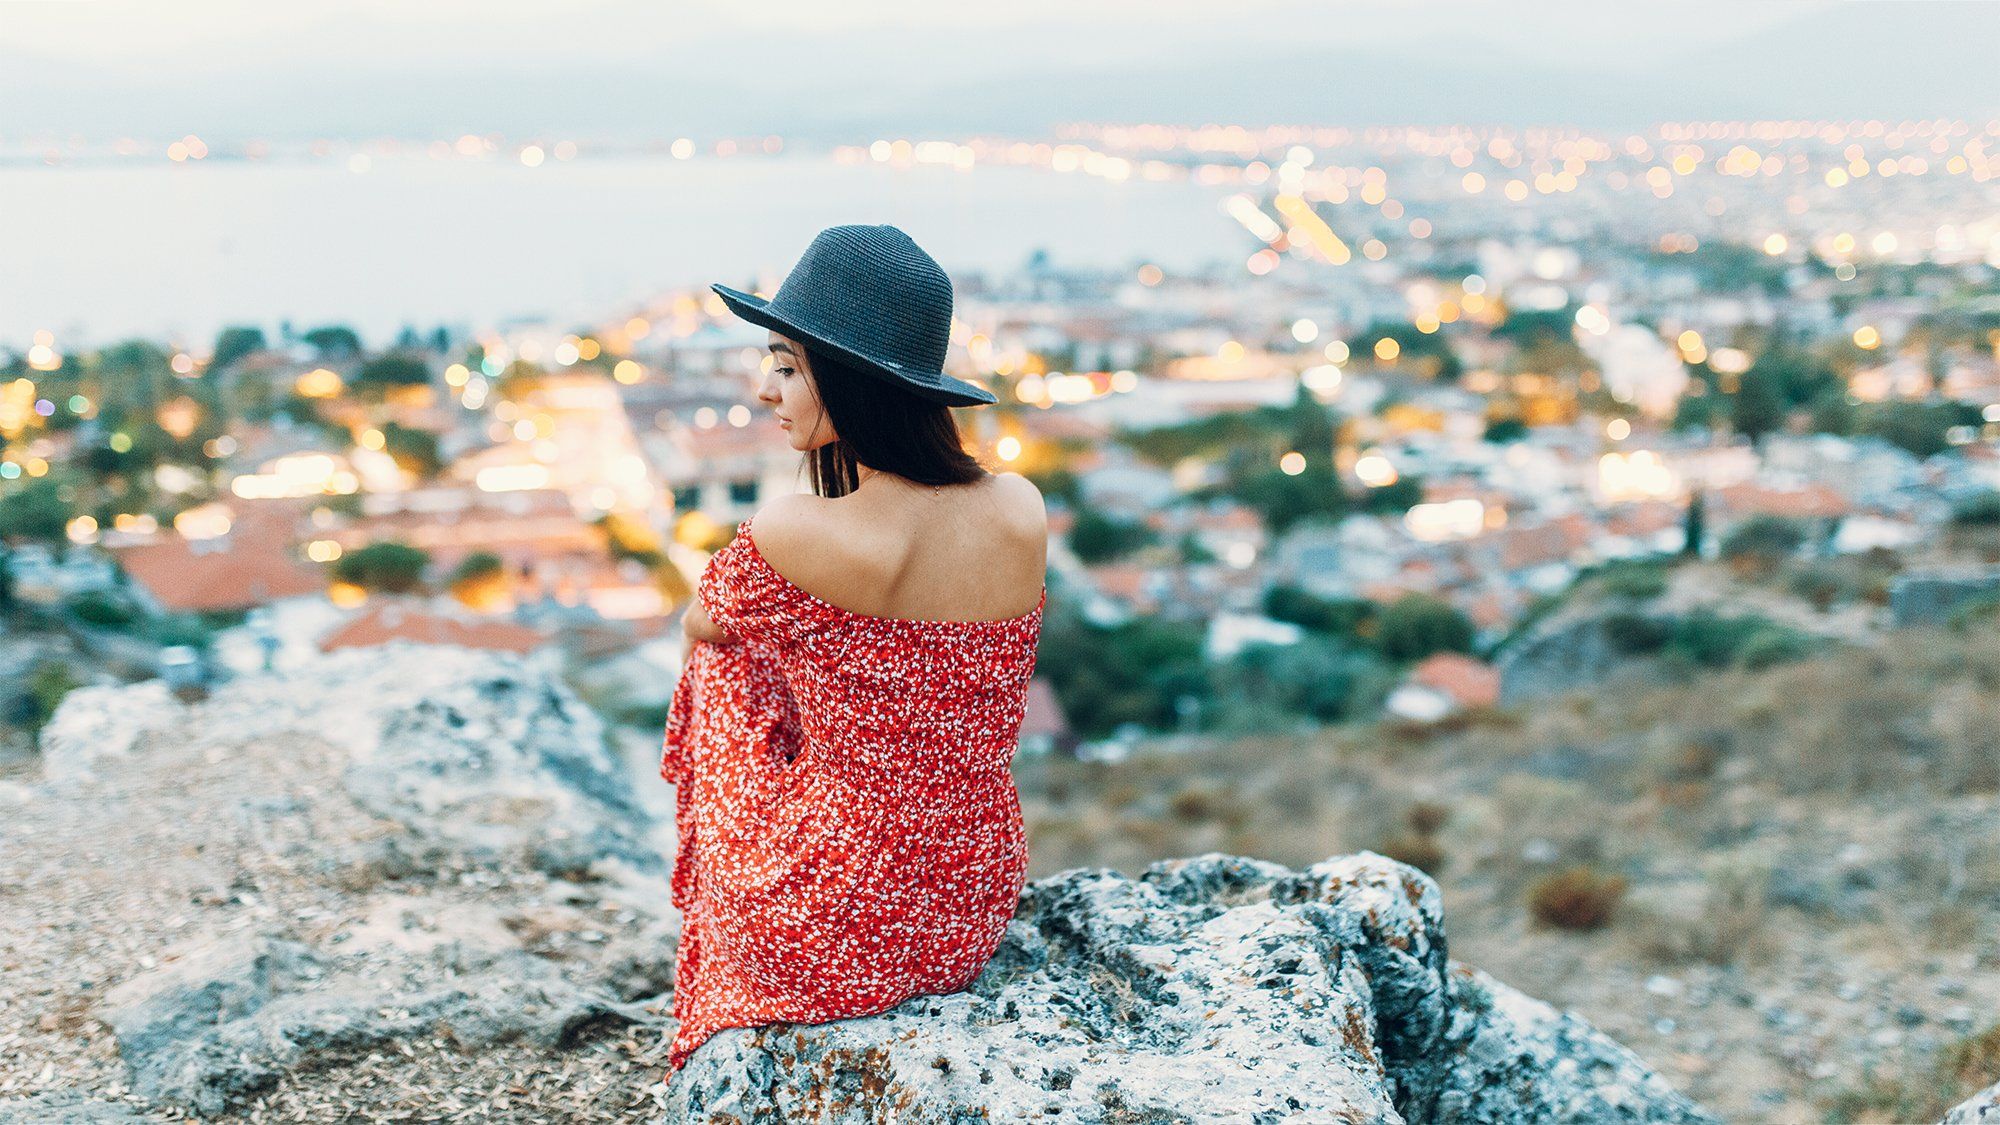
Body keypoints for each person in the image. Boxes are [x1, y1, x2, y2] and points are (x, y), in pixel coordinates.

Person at [659, 224, 1049, 1076]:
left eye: (788, 365)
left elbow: (703, 622)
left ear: (852, 380)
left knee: (733, 656)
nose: (767, 389)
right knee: (805, 641)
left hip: (836, 911)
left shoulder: (797, 531)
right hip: (971, 898)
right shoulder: (1020, 506)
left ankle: (727, 918)